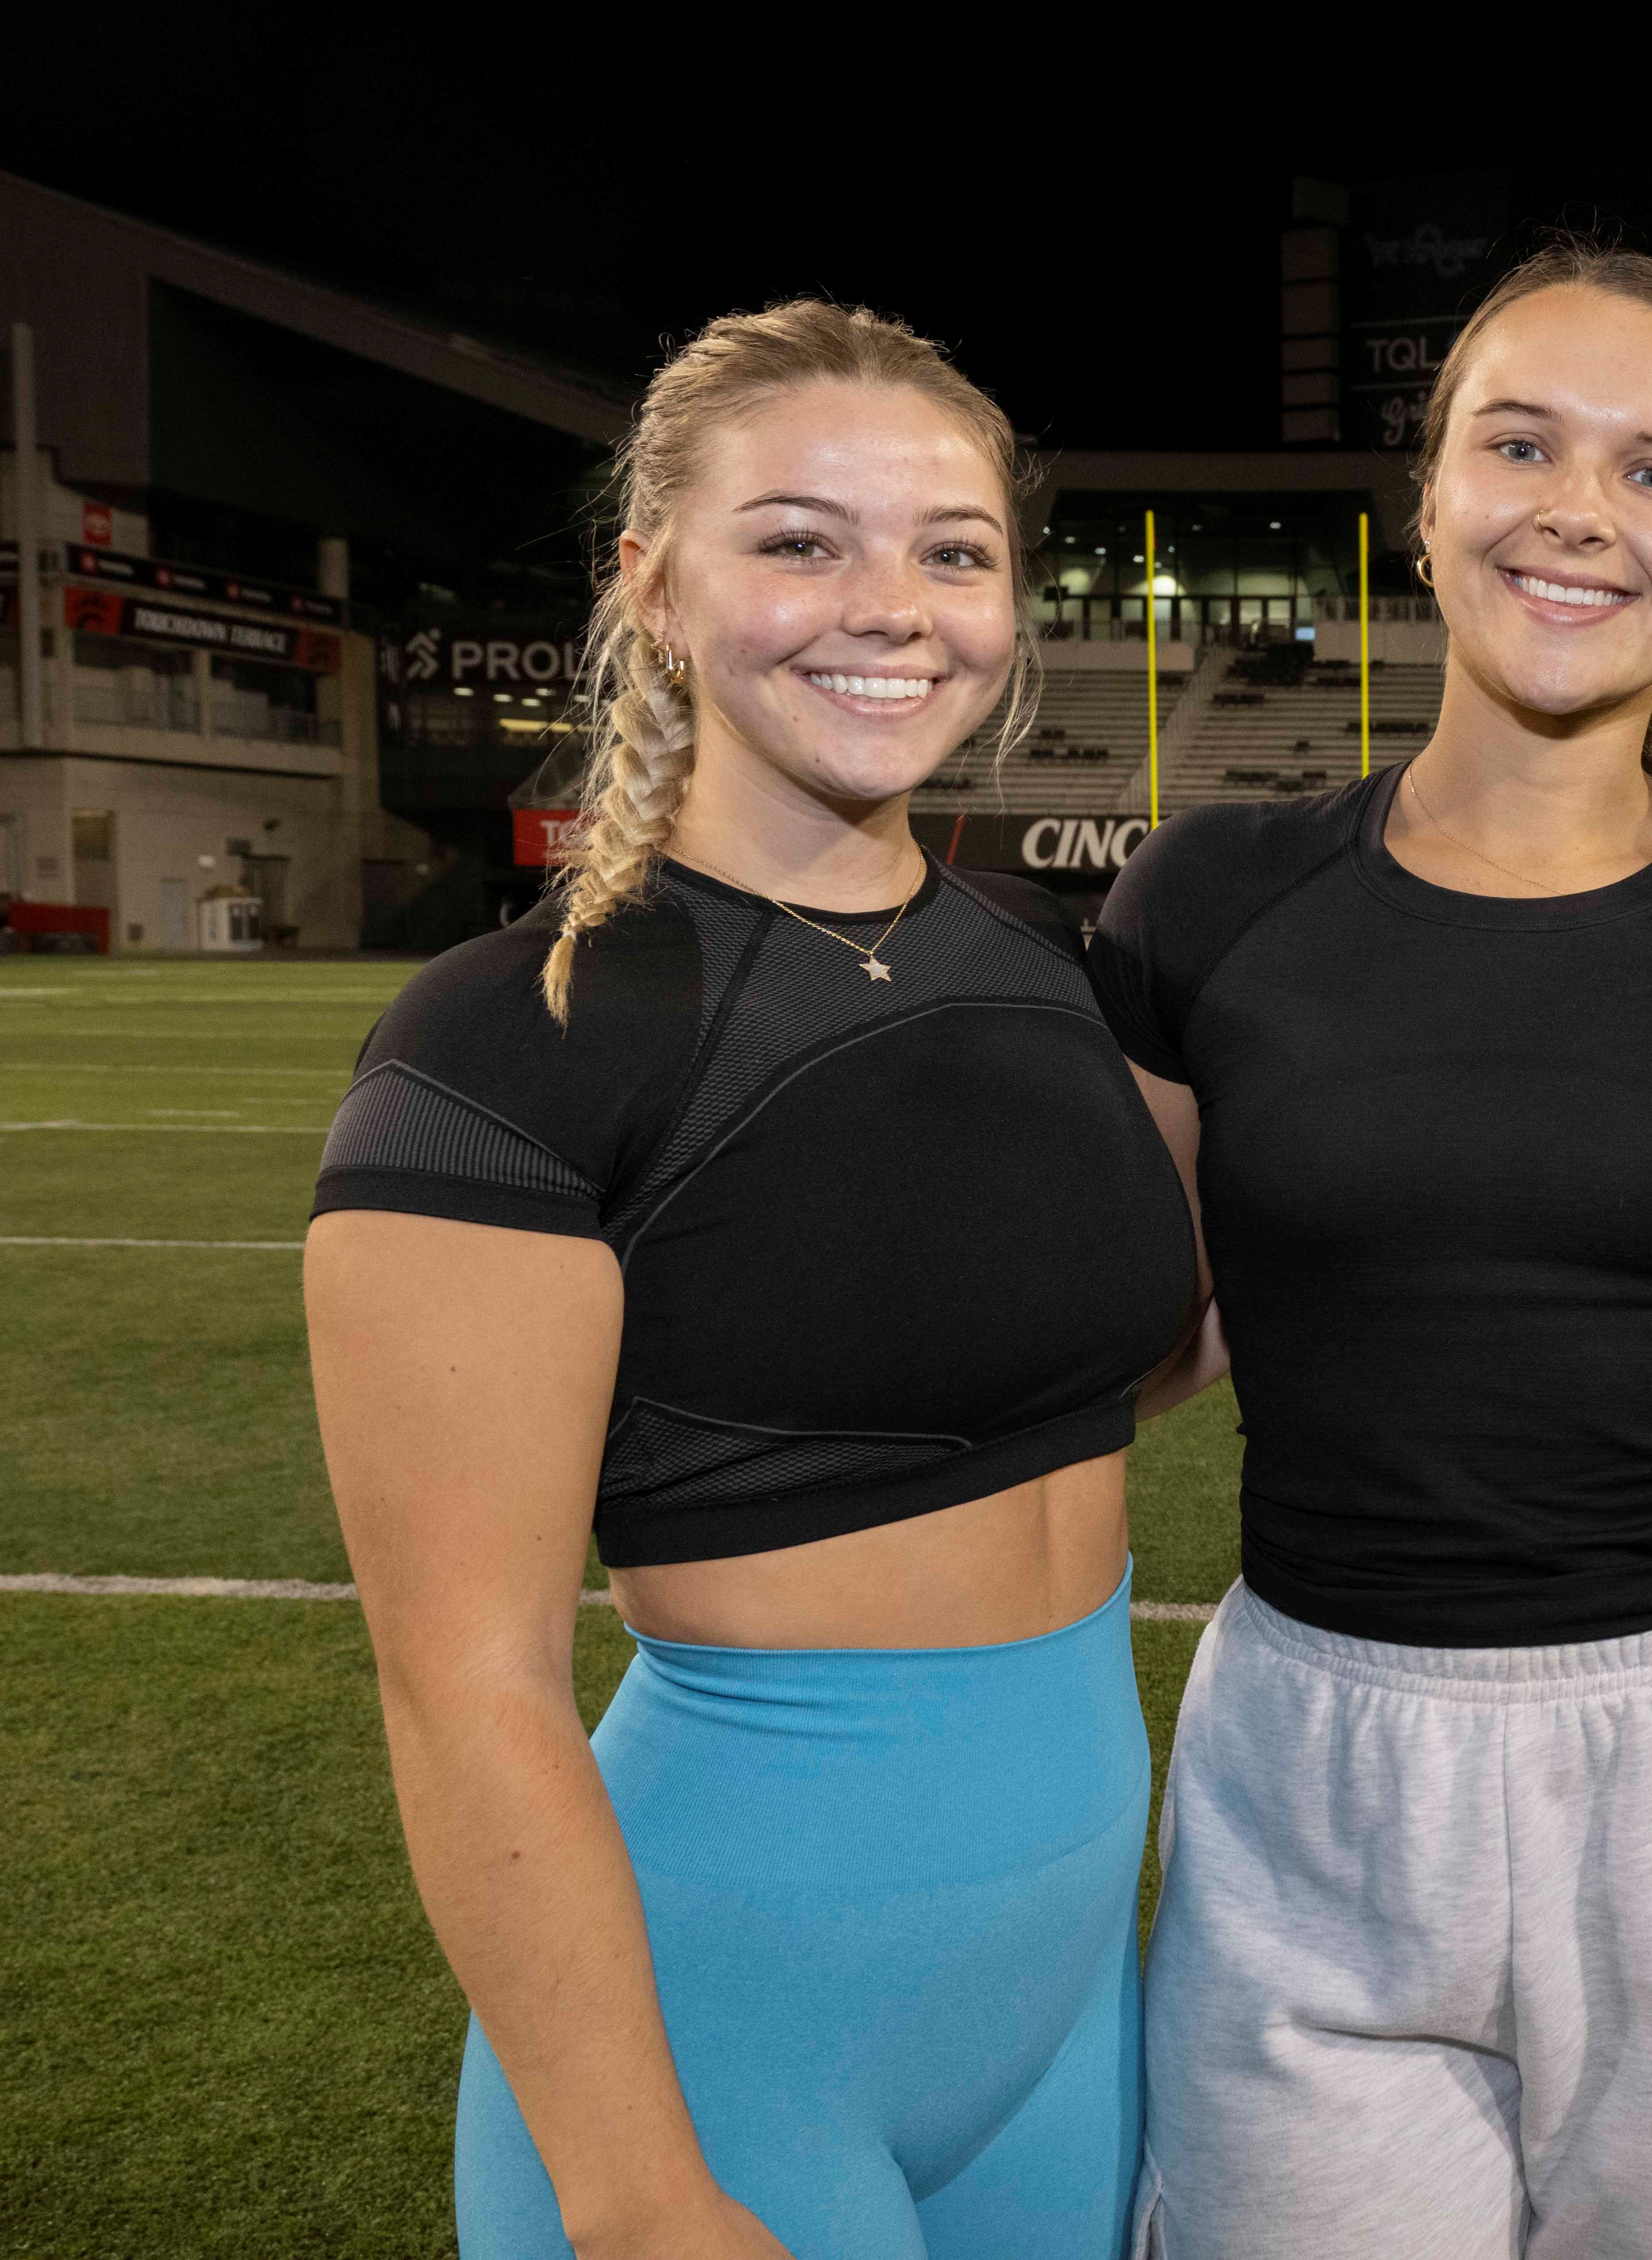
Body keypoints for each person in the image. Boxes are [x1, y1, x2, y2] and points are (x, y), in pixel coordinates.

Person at [1093, 243, 1652, 2260]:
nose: (1580, 507)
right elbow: (1124, 1346)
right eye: (1520, 443)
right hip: (1316, 1766)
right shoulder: (1211, 900)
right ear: (1425, 495)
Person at [305, 302, 1202, 2260]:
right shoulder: (509, 1035)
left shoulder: (1047, 961)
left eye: (952, 550)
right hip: (731, 2043)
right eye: (800, 540)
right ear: (655, 581)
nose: (890, 605)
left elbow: (1098, 1365)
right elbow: (462, 1676)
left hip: (1065, 1996)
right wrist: (636, 2195)